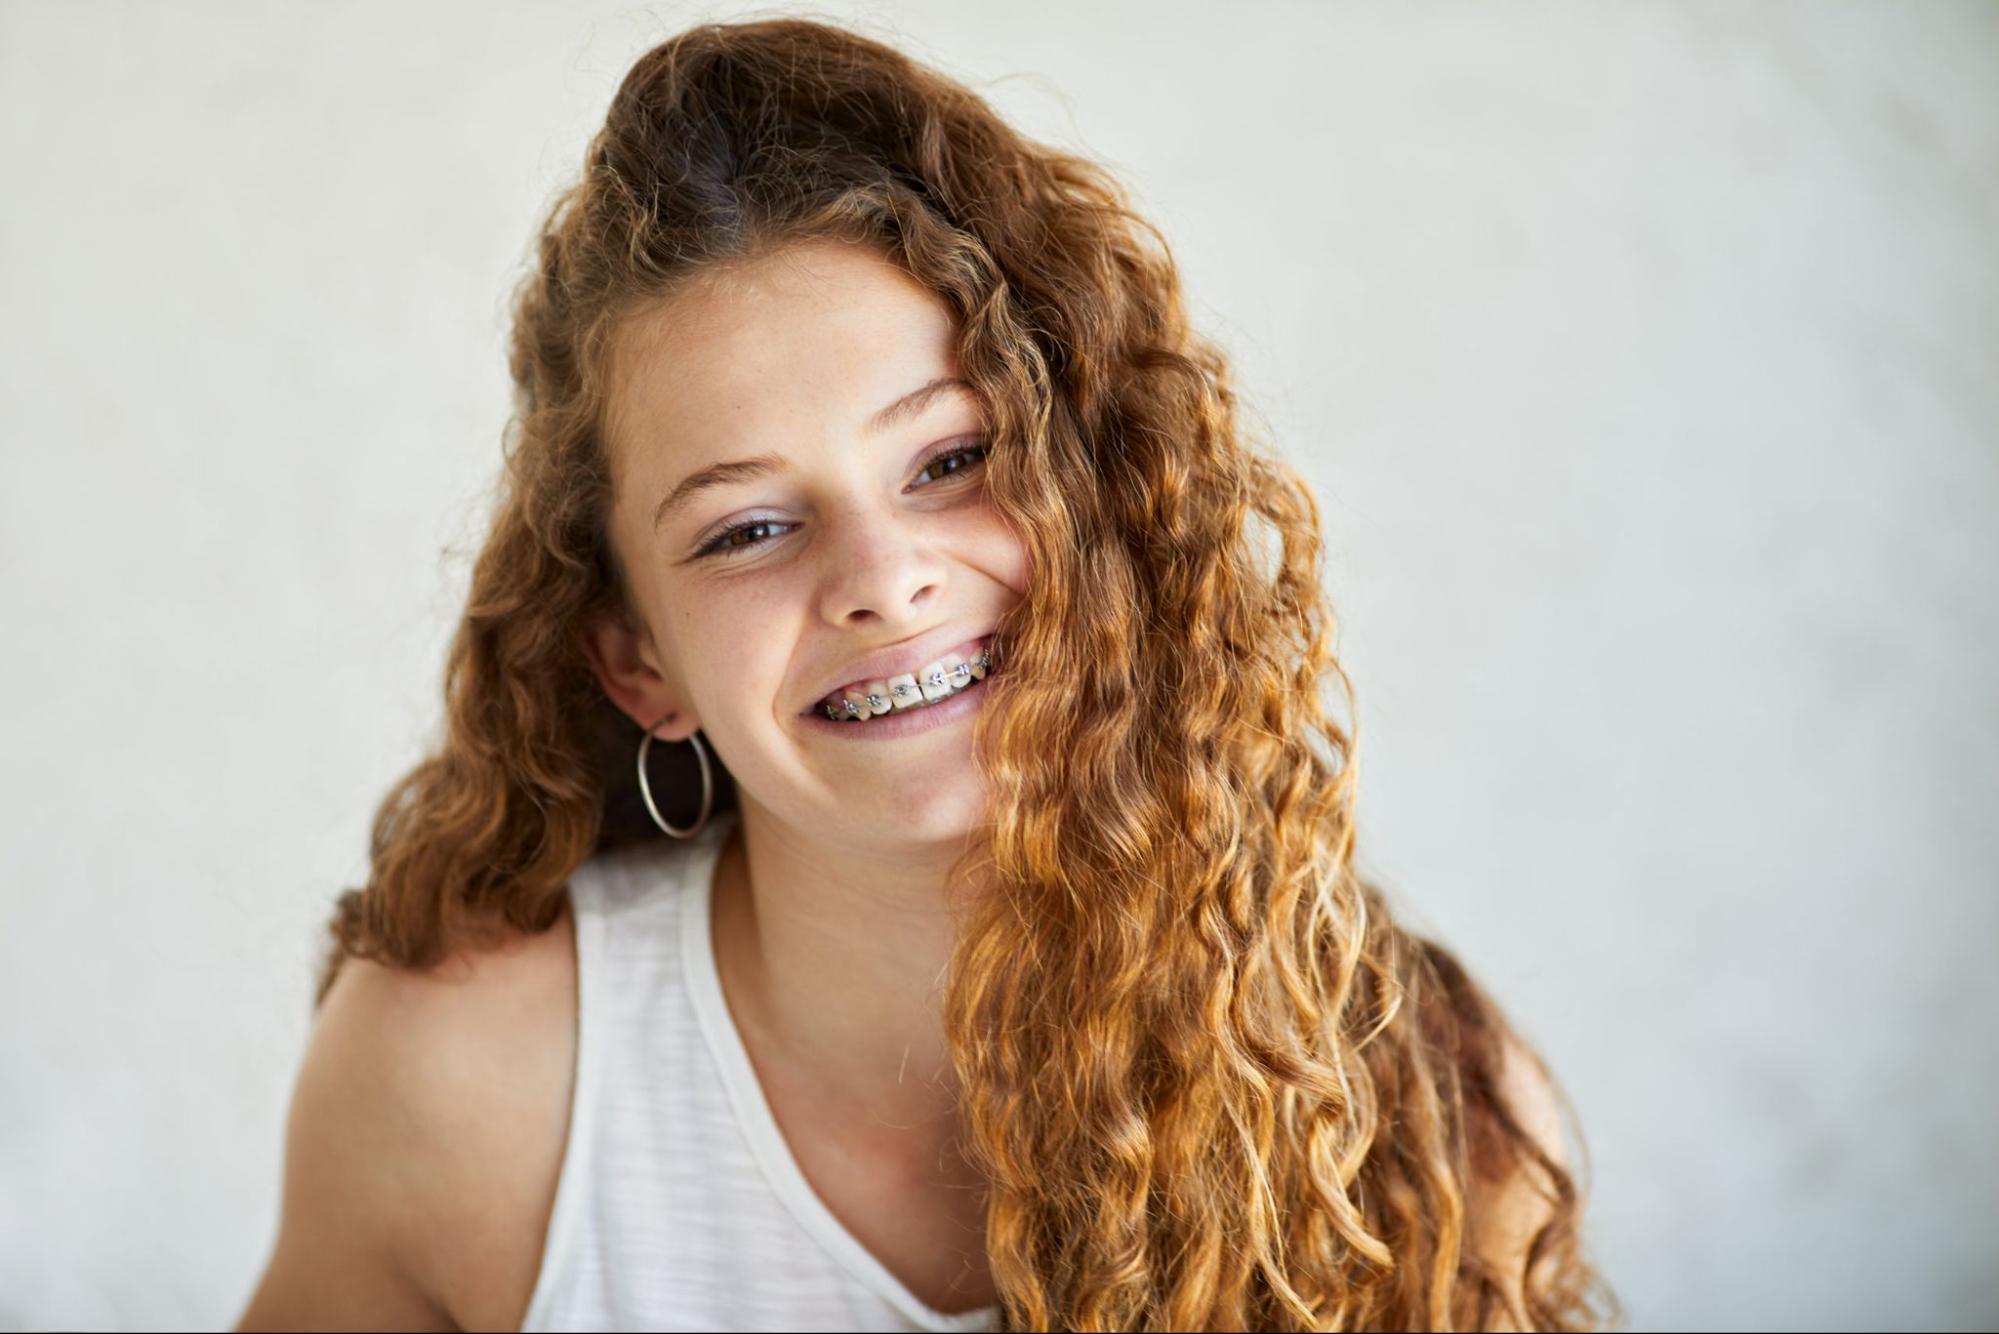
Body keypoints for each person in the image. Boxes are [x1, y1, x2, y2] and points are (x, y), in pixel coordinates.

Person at [235, 17, 1617, 1332]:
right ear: (636, 661)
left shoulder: (1435, 1109)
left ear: (1110, 495)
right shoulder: (465, 1084)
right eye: (748, 528)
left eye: (951, 460)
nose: (882, 577)